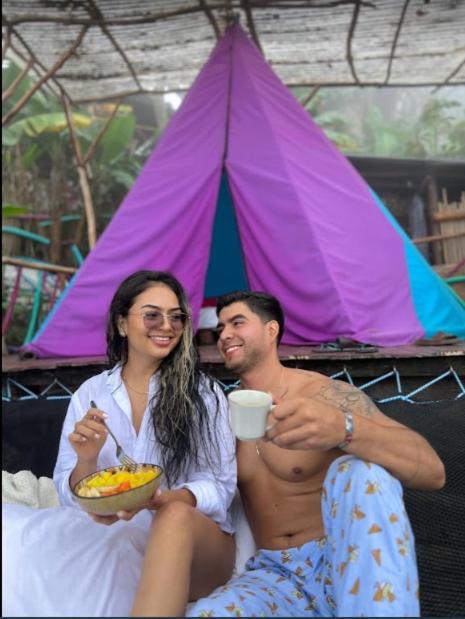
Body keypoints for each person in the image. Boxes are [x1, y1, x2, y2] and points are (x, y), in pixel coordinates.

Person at [187, 291, 446, 617]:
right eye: (221, 326)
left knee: (361, 472)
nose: (225, 334)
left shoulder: (324, 395)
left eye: (238, 322)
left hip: (343, 562)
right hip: (273, 577)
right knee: (207, 614)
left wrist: (343, 428)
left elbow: (433, 471)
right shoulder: (220, 414)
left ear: (271, 331)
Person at [2, 270, 236, 618]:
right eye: (152, 315)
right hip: (116, 531)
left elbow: (221, 486)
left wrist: (162, 500)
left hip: (197, 543)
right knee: (19, 534)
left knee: (170, 518)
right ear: (122, 324)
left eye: (177, 317)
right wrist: (87, 458)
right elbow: (73, 494)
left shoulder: (202, 393)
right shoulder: (91, 394)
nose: (167, 326)